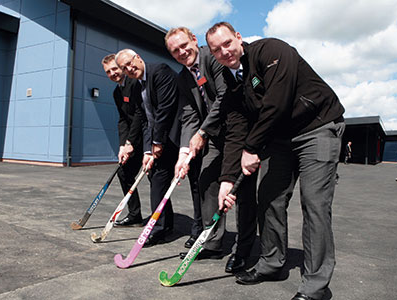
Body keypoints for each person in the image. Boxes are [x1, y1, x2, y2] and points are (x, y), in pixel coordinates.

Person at [207, 22, 345, 300]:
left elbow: (277, 102)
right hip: (280, 138)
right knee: (269, 197)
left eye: (227, 44)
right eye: (216, 50)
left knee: (314, 202)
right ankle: (272, 264)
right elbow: (236, 128)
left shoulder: (271, 50)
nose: (224, 52)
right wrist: (226, 179)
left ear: (238, 37)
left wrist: (252, 147)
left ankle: (315, 286)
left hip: (317, 127)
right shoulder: (229, 79)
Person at [165, 27, 258, 272]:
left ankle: (244, 248)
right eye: (175, 51)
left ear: (194, 39)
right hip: (216, 136)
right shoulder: (182, 78)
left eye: (184, 45)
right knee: (206, 177)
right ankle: (212, 242)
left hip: (239, 131)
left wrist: (202, 133)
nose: (182, 52)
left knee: (241, 188)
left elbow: (223, 99)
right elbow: (188, 115)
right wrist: (184, 151)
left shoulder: (213, 57)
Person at [115, 49, 181, 247]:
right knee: (158, 182)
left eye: (130, 63)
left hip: (177, 137)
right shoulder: (136, 86)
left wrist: (156, 144)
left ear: (138, 58)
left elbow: (164, 111)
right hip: (157, 141)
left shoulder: (160, 71)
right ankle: (161, 227)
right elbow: (144, 120)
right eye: (124, 68)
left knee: (196, 186)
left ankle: (199, 232)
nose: (129, 68)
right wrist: (146, 151)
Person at [101, 54, 144, 227]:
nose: (112, 73)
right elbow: (123, 120)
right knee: (124, 172)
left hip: (145, 137)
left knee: (156, 178)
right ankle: (135, 215)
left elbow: (139, 115)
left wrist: (129, 142)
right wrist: (122, 145)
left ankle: (163, 223)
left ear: (122, 67)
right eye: (108, 72)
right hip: (132, 140)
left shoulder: (134, 83)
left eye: (114, 69)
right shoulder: (117, 92)